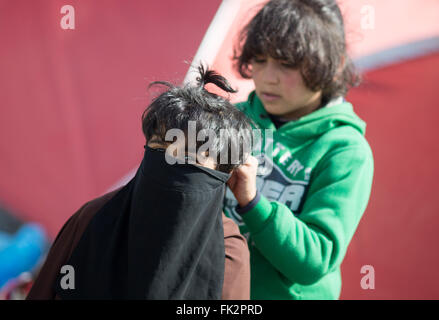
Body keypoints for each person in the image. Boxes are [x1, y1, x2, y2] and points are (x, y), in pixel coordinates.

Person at [26, 65, 252, 300]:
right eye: (159, 148)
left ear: (221, 173)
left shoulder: (227, 253)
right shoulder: (94, 218)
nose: (169, 163)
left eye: (190, 157)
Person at [223, 0, 374, 300]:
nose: (268, 76)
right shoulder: (228, 120)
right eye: (260, 60)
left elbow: (314, 260)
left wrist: (253, 203)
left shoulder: (345, 150)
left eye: (286, 64)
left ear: (333, 65)